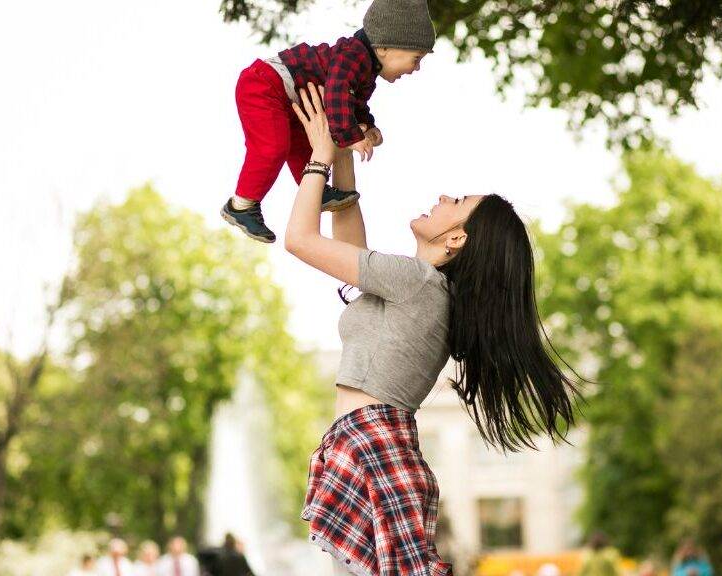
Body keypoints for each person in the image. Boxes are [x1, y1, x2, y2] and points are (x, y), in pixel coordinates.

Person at [285, 84, 579, 575]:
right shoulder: (422, 291)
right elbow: (348, 239)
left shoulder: (417, 282)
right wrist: (342, 147)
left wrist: (318, 156)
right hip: (370, 444)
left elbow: (300, 239)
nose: (443, 196)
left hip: (373, 444)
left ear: (457, 237)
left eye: (457, 200)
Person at [221, 0, 435, 243]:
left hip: (292, 100)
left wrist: (369, 126)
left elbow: (355, 103)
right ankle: (241, 205)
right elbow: (337, 91)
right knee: (273, 147)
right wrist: (351, 136)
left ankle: (317, 190)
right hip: (265, 85)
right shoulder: (353, 54)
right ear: (385, 47)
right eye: (416, 58)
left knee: (305, 147)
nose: (416, 68)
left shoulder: (366, 68)